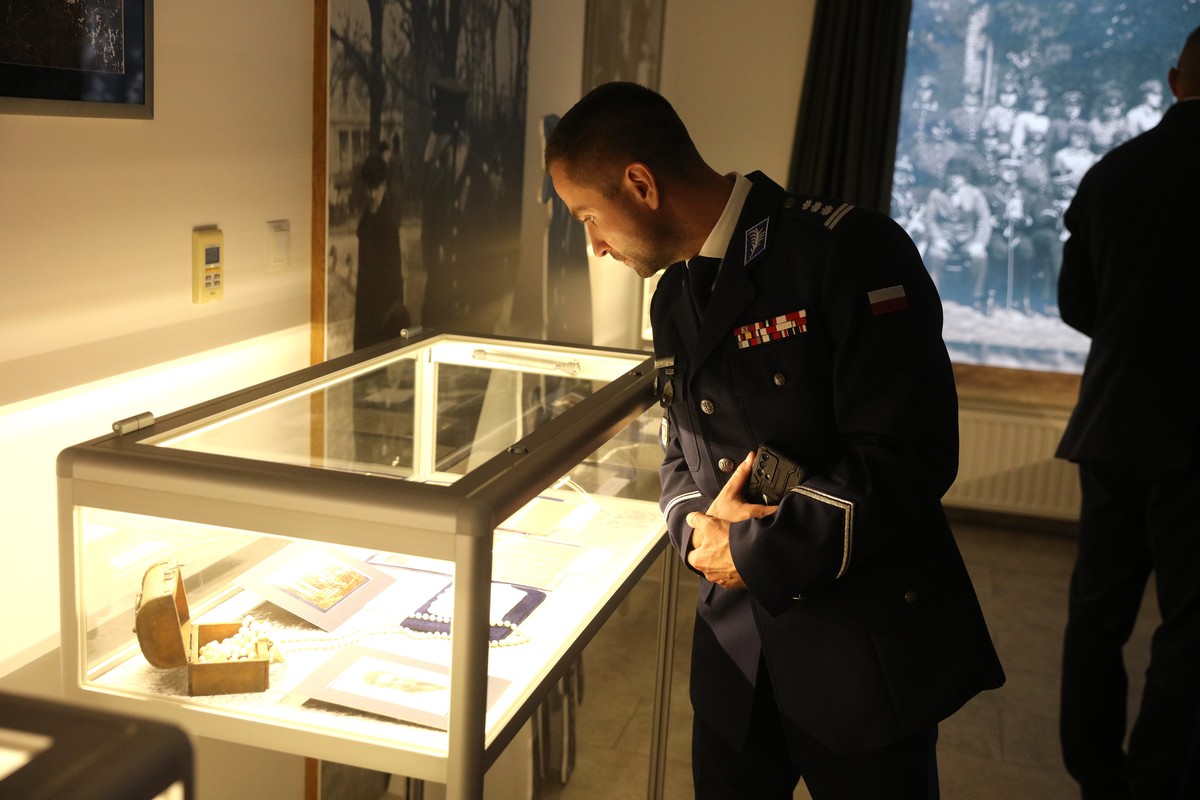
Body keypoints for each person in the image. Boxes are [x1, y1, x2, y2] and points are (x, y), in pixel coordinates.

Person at [545, 81, 1004, 800]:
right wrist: (695, 533)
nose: (596, 245)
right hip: (736, 650)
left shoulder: (845, 250)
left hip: (857, 646)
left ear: (640, 185)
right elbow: (682, 447)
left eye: (588, 218)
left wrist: (754, 552)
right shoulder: (673, 297)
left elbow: (907, 451)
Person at [1056, 25, 1200, 800]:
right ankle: (1157, 778)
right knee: (1191, 625)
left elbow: (1076, 303)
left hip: (1112, 422)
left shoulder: (1114, 171)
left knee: (1097, 614)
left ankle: (1096, 774)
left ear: (1177, 79)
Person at [353, 152, 410, 350]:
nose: (371, 194)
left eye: (376, 188)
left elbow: (397, 275)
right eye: (368, 188)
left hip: (385, 312)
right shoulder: (365, 220)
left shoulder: (391, 223)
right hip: (366, 309)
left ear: (384, 186)